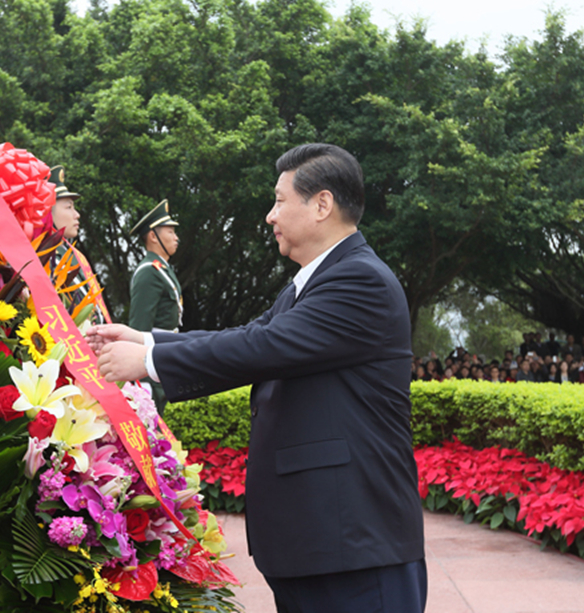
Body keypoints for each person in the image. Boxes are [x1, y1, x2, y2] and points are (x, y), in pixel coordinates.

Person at [90, 144, 427, 612]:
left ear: (322, 205)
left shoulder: (359, 280)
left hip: (353, 546)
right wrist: (146, 339)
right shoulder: (312, 282)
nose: (270, 217)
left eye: (279, 201)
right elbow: (252, 335)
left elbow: (261, 348)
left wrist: (147, 363)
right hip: (321, 542)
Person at [127, 199, 183, 415]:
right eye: (170, 231)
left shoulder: (162, 269)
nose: (176, 237)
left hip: (164, 356)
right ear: (153, 236)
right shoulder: (149, 272)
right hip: (152, 365)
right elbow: (140, 327)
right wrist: (142, 380)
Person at [48, 165, 110, 325]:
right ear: (47, 211)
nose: (77, 215)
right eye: (69, 207)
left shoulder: (68, 251)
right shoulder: (46, 255)